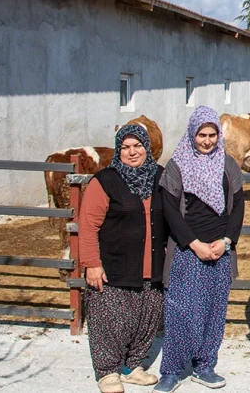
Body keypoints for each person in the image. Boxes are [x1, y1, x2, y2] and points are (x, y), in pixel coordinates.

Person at [153, 106, 244, 392]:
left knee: (214, 310)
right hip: (187, 249)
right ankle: (171, 369)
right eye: (202, 135)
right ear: (192, 134)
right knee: (180, 310)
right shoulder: (177, 165)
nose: (207, 140)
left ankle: (205, 365)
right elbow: (169, 210)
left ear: (219, 135)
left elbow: (238, 206)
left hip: (220, 249)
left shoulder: (228, 165)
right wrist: (194, 244)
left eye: (212, 134)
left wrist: (226, 242)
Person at [79, 125, 167, 393]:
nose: (132, 152)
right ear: (119, 150)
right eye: (126, 147)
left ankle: (132, 367)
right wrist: (92, 263)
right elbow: (88, 225)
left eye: (138, 146)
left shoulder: (160, 177)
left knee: (145, 318)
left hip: (151, 266)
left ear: (147, 148)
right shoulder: (105, 181)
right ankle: (107, 371)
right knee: (109, 319)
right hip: (114, 265)